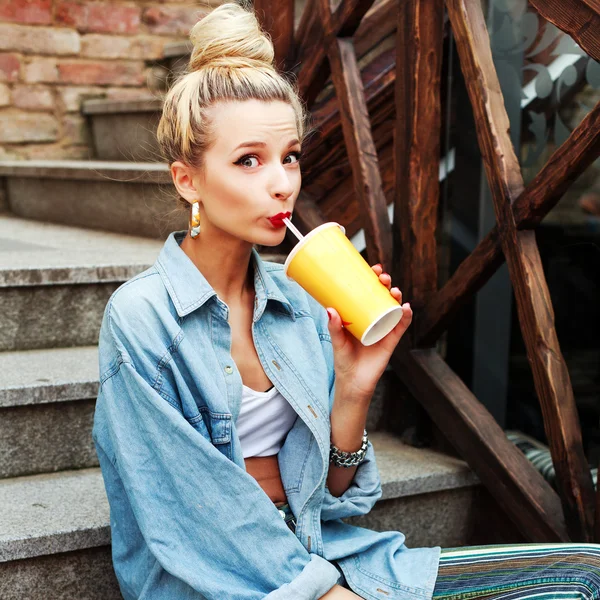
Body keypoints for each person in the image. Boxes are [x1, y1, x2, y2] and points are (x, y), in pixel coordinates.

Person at [92, 3, 600, 599]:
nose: (281, 182)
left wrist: (354, 386)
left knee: (584, 571)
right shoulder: (142, 319)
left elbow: (337, 495)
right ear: (188, 180)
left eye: (290, 157)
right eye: (248, 160)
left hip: (329, 551)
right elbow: (191, 518)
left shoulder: (298, 300)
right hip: (221, 582)